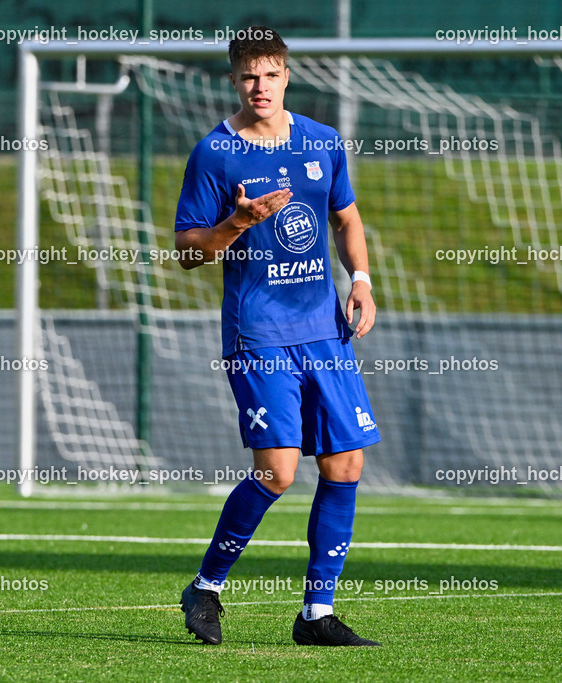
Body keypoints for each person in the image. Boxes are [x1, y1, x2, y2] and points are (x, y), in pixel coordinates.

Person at [174, 27, 380, 646]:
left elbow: (346, 217)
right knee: (278, 472)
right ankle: (206, 587)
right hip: (260, 334)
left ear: (286, 75)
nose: (259, 87)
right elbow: (187, 251)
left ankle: (316, 615)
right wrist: (237, 221)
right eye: (247, 77)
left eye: (269, 75)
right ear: (233, 80)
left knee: (345, 463)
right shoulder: (216, 153)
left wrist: (362, 279)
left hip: (326, 333)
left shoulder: (323, 141)